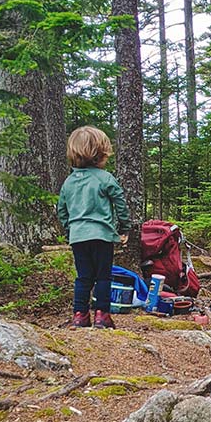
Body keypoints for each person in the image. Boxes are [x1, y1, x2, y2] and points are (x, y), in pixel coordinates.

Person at [56, 126, 131, 329]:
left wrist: (70, 229)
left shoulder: (69, 182)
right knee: (103, 276)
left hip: (78, 237)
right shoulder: (105, 178)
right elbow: (120, 204)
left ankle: (79, 315)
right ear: (100, 154)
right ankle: (102, 316)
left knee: (83, 277)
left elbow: (61, 210)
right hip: (102, 236)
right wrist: (124, 228)